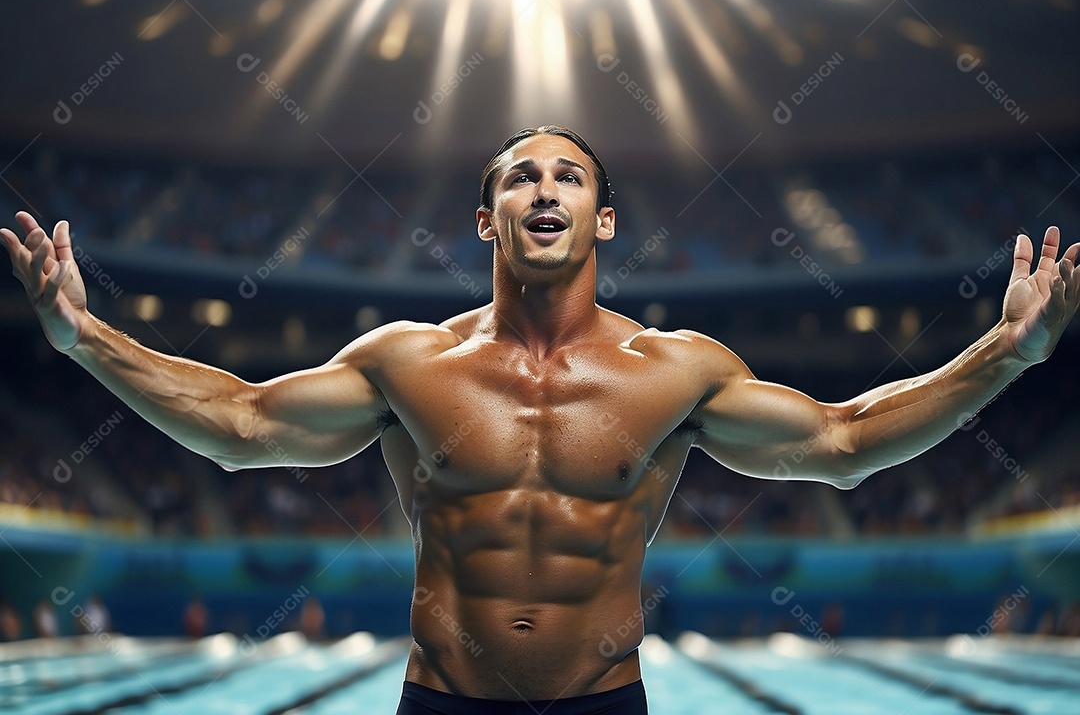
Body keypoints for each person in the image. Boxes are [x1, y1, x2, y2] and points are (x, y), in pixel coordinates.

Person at [3, 125, 1077, 714]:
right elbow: (238, 424)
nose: (544, 188)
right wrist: (81, 340)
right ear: (490, 217)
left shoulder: (676, 372)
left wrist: (1007, 352)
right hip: (443, 709)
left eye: (569, 175)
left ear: (602, 217)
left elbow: (843, 443)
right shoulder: (408, 362)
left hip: (605, 713)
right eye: (521, 176)